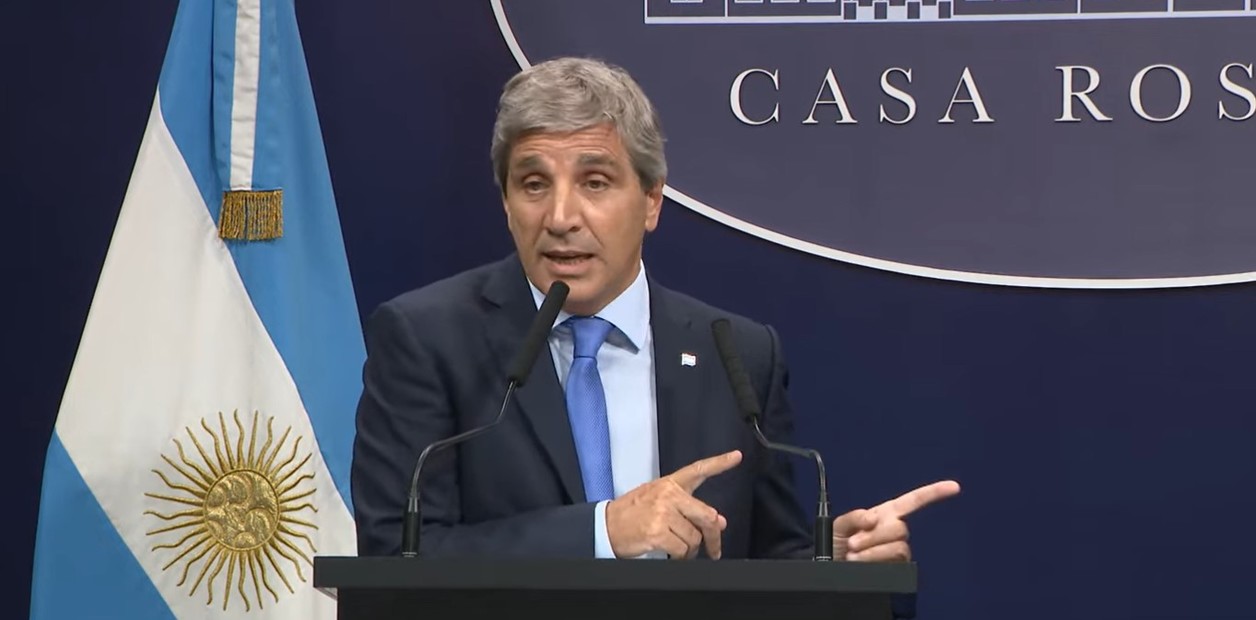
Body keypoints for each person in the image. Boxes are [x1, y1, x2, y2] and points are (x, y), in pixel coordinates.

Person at [351, 57, 959, 568]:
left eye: (595, 182)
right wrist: (603, 532)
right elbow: (397, 554)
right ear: (507, 203)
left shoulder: (737, 353)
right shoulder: (427, 338)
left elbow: (763, 562)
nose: (560, 218)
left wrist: (835, 565)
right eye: (533, 185)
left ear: (651, 200)